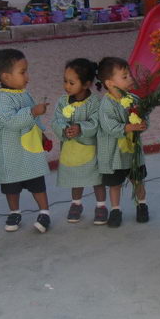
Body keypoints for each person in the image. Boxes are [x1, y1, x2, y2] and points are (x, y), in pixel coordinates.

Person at [0, 49, 52, 233]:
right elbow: (9, 121)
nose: (27, 77)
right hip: (10, 153)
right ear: (6, 77)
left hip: (29, 151)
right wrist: (32, 112)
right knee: (11, 185)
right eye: (23, 72)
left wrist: (42, 134)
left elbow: (34, 122)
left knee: (37, 182)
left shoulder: (24, 93)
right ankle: (14, 212)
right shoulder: (1, 99)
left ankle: (45, 211)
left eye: (26, 71)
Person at [95, 56, 148, 228]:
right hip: (114, 153)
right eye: (124, 77)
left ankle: (142, 204)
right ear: (110, 83)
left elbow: (143, 116)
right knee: (115, 184)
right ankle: (115, 209)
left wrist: (143, 124)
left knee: (137, 179)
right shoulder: (105, 104)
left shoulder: (134, 99)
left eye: (129, 75)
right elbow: (109, 126)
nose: (130, 79)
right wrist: (128, 128)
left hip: (133, 151)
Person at [52, 58, 106, 225]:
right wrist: (63, 129)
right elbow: (56, 120)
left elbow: (97, 122)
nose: (66, 86)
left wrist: (81, 128)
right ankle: (76, 204)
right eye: (65, 81)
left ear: (86, 84)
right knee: (75, 178)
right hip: (71, 149)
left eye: (71, 82)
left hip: (91, 150)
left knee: (96, 179)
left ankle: (101, 206)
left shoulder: (95, 102)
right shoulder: (62, 101)